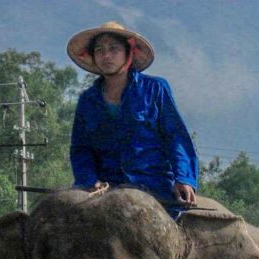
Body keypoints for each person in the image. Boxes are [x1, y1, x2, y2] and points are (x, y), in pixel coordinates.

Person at [67, 22, 198, 216]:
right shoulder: (87, 101)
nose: (107, 56)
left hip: (154, 188)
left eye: (114, 49)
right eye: (100, 50)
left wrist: (184, 178)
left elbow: (175, 137)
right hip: (105, 191)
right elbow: (81, 149)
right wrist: (89, 180)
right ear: (93, 57)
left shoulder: (155, 89)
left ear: (129, 53)